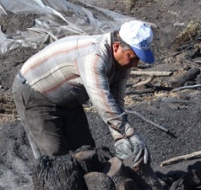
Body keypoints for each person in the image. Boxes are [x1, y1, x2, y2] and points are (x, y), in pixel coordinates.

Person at [12, 20, 155, 165]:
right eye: (133, 57)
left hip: (69, 99)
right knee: (55, 158)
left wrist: (120, 137)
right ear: (117, 46)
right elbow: (101, 98)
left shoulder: (123, 64)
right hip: (35, 93)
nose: (135, 64)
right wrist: (129, 133)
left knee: (86, 150)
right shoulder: (94, 56)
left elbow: (116, 100)